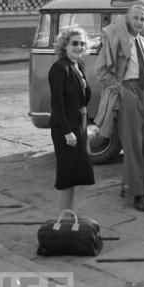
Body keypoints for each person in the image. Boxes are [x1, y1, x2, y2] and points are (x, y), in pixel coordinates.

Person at [94, 4, 144, 212]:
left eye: (142, 18)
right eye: (136, 17)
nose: (139, 22)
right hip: (128, 91)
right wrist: (121, 91)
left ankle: (137, 185)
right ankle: (136, 194)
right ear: (127, 19)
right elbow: (101, 71)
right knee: (132, 144)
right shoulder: (114, 39)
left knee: (143, 143)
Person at [48, 27, 95, 211]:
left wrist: (86, 125)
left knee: (75, 173)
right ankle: (64, 215)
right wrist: (67, 131)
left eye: (82, 43)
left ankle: (69, 212)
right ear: (64, 45)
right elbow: (57, 104)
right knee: (66, 174)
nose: (79, 47)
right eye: (74, 43)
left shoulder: (77, 65)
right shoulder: (60, 68)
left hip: (78, 125)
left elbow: (82, 98)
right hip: (65, 129)